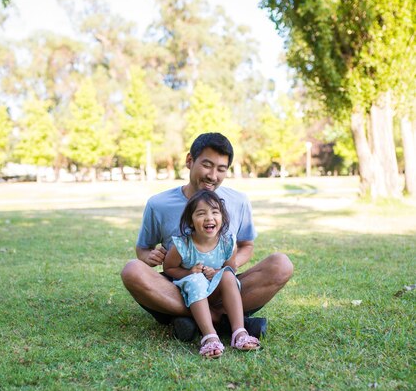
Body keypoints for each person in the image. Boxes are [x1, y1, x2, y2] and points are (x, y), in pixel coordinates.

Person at [121, 132, 293, 340]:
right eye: (207, 165)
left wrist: (223, 269)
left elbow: (246, 245)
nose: (213, 175)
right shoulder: (158, 204)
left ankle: (192, 322)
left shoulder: (238, 201)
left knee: (281, 265)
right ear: (189, 161)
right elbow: (143, 248)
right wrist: (148, 257)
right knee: (132, 270)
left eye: (221, 169)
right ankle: (220, 320)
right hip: (178, 288)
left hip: (222, 287)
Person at [163, 189, 260, 358]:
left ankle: (239, 331)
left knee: (228, 275)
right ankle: (210, 336)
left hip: (216, 292)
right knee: (196, 280)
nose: (209, 218)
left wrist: (215, 272)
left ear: (222, 218)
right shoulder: (182, 245)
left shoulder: (227, 243)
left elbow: (230, 269)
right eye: (201, 213)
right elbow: (169, 269)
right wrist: (189, 272)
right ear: (191, 221)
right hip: (191, 291)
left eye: (215, 212)